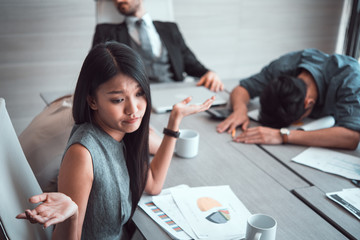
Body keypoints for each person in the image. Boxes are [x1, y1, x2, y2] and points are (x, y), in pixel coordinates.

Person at [18, 42, 214, 239]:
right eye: (118, 99)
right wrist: (73, 216)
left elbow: (153, 184)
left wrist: (174, 121)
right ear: (92, 100)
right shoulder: (83, 154)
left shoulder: (124, 132)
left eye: (139, 94)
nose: (133, 109)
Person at [217, 48, 360, 150]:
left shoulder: (350, 78)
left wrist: (283, 135)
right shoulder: (284, 67)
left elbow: (352, 136)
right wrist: (240, 109)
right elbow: (243, 88)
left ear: (308, 103)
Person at [92, 0, 224, 92]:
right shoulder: (105, 31)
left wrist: (209, 73)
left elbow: (190, 63)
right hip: (134, 96)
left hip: (174, 91)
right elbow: (95, 71)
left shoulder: (170, 28)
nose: (118, 0)